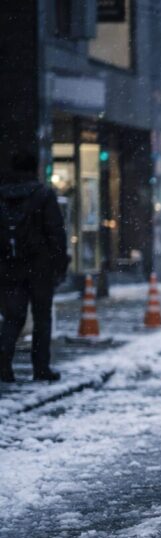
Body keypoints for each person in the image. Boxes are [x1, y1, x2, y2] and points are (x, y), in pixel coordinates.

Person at [0, 149, 69, 383]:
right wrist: (60, 263)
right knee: (42, 318)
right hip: (40, 266)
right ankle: (41, 368)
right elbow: (55, 232)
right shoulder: (43, 194)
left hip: (9, 265)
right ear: (35, 169)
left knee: (12, 317)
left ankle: (3, 364)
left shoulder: (2, 195)